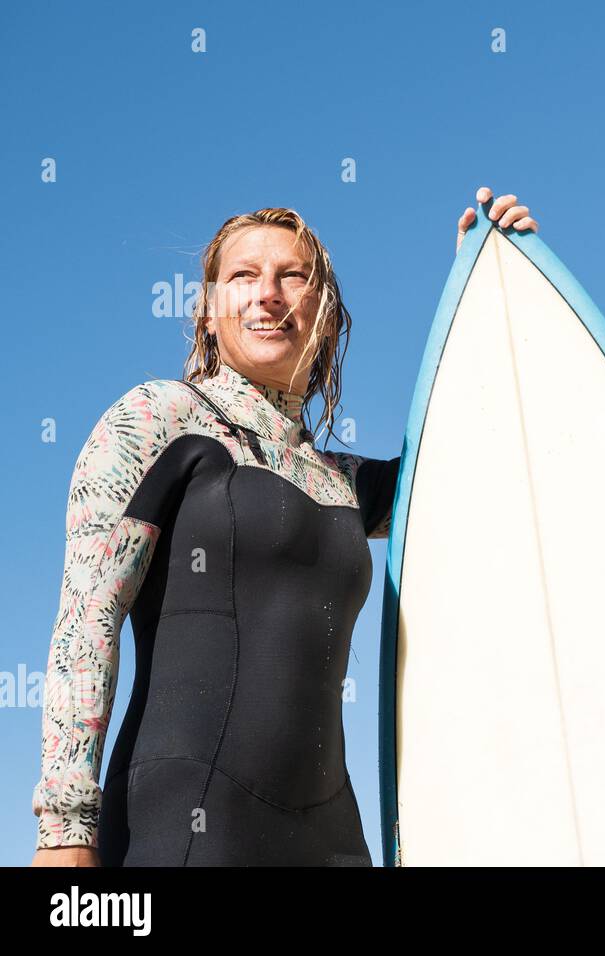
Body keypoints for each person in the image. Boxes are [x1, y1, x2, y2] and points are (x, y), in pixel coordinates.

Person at [31, 188, 538, 866]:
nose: (268, 293)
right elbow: (86, 617)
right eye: (243, 276)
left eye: (292, 276)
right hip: (183, 823)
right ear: (209, 314)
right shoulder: (160, 420)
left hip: (334, 841)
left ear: (324, 318)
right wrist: (65, 828)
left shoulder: (347, 482)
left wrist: (487, 290)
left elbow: (473, 469)